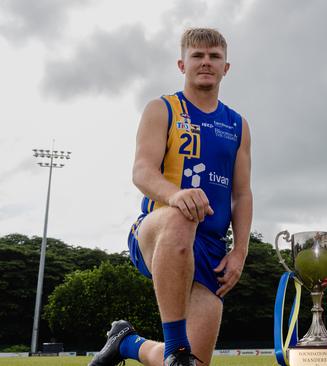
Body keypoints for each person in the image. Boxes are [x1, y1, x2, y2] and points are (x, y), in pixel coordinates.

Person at [89, 27, 252, 366]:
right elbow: (142, 171)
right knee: (183, 214)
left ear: (226, 67)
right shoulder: (161, 109)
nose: (206, 62)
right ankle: (176, 348)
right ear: (182, 64)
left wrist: (239, 252)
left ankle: (127, 343)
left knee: (192, 364)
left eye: (214, 57)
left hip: (210, 250)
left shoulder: (237, 124)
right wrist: (176, 195)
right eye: (197, 56)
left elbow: (241, 193)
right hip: (157, 230)